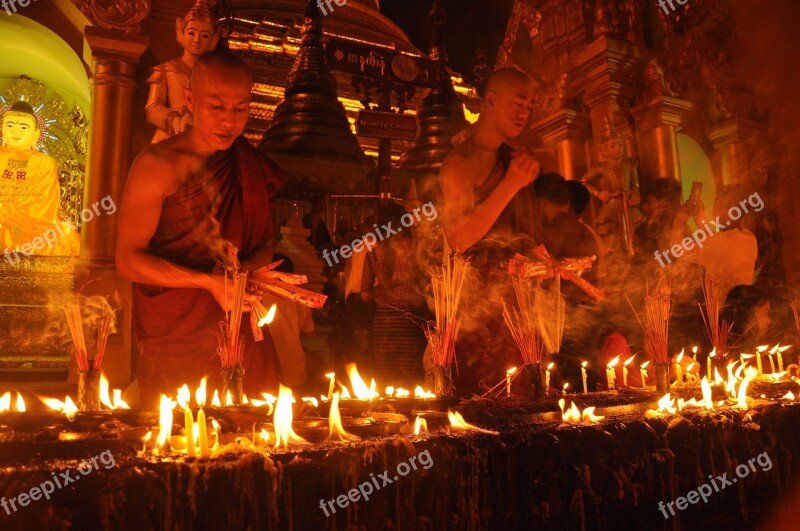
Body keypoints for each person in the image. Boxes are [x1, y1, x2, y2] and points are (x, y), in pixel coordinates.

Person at [116, 50, 286, 407]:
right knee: (177, 440)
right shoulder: (157, 166)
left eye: (240, 109)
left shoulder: (248, 164)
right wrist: (207, 282)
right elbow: (128, 261)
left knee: (252, 434)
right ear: (190, 100)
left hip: (240, 327)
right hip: (177, 333)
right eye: (217, 107)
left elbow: (267, 241)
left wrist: (250, 271)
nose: (229, 121)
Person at [439, 68, 540, 395]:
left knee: (526, 402)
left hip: (518, 302)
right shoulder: (461, 161)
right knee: (484, 404)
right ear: (491, 100)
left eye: (529, 106)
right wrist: (511, 182)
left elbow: (519, 236)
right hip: (478, 310)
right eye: (518, 103)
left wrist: (542, 260)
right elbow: (458, 237)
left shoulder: (512, 158)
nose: (524, 113)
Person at [361, 202, 427, 386]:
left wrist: (385, 288)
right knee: (412, 385)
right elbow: (426, 282)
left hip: (384, 325)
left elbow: (365, 296)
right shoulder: (416, 249)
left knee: (386, 385)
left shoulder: (373, 253)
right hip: (410, 321)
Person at [145, 0, 220, 143]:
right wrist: (175, 120)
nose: (197, 40)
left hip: (203, 136)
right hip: (170, 135)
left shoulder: (215, 75)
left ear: (213, 39)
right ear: (181, 33)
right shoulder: (166, 69)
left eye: (205, 35)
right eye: (191, 33)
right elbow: (152, 107)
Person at [262, 255, 315, 388]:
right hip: (294, 368)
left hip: (267, 370)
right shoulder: (299, 299)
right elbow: (310, 333)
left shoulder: (257, 294)